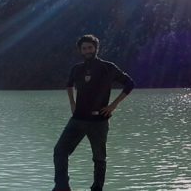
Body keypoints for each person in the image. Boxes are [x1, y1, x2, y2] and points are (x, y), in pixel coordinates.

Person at [53, 35, 135, 191]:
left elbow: (130, 83)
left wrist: (113, 105)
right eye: (84, 48)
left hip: (99, 120)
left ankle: (97, 188)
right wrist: (72, 102)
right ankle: (62, 186)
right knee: (60, 151)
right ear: (80, 50)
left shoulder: (108, 67)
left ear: (96, 48)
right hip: (78, 119)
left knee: (99, 158)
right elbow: (69, 85)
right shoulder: (77, 69)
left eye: (90, 47)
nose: (87, 51)